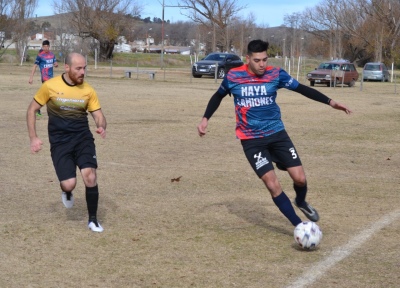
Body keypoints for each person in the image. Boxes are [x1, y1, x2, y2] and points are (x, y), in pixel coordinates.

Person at [197, 40, 352, 228]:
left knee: (300, 179)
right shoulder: (234, 76)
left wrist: (331, 102)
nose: (262, 64)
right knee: (272, 184)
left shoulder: (275, 74)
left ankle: (301, 202)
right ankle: (299, 226)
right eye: (257, 60)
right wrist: (206, 118)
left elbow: (302, 88)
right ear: (248, 59)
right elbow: (218, 96)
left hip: (277, 135)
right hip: (251, 140)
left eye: (265, 59)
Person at [26, 52, 107, 232]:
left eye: (84, 68)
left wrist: (101, 126)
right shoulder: (50, 86)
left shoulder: (88, 90)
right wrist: (33, 137)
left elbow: (99, 115)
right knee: (69, 183)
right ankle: (67, 191)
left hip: (83, 138)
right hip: (60, 141)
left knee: (90, 176)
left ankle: (93, 219)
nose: (83, 72)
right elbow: (32, 110)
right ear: (67, 67)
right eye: (78, 68)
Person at [28, 40, 58, 116]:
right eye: (44, 46)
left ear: (49, 46)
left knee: (45, 94)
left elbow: (55, 63)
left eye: (47, 46)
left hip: (51, 78)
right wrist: (31, 77)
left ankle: (38, 108)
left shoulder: (52, 55)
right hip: (45, 78)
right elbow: (35, 66)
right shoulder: (40, 56)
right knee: (50, 93)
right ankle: (52, 111)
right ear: (42, 46)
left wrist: (56, 64)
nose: (45, 48)